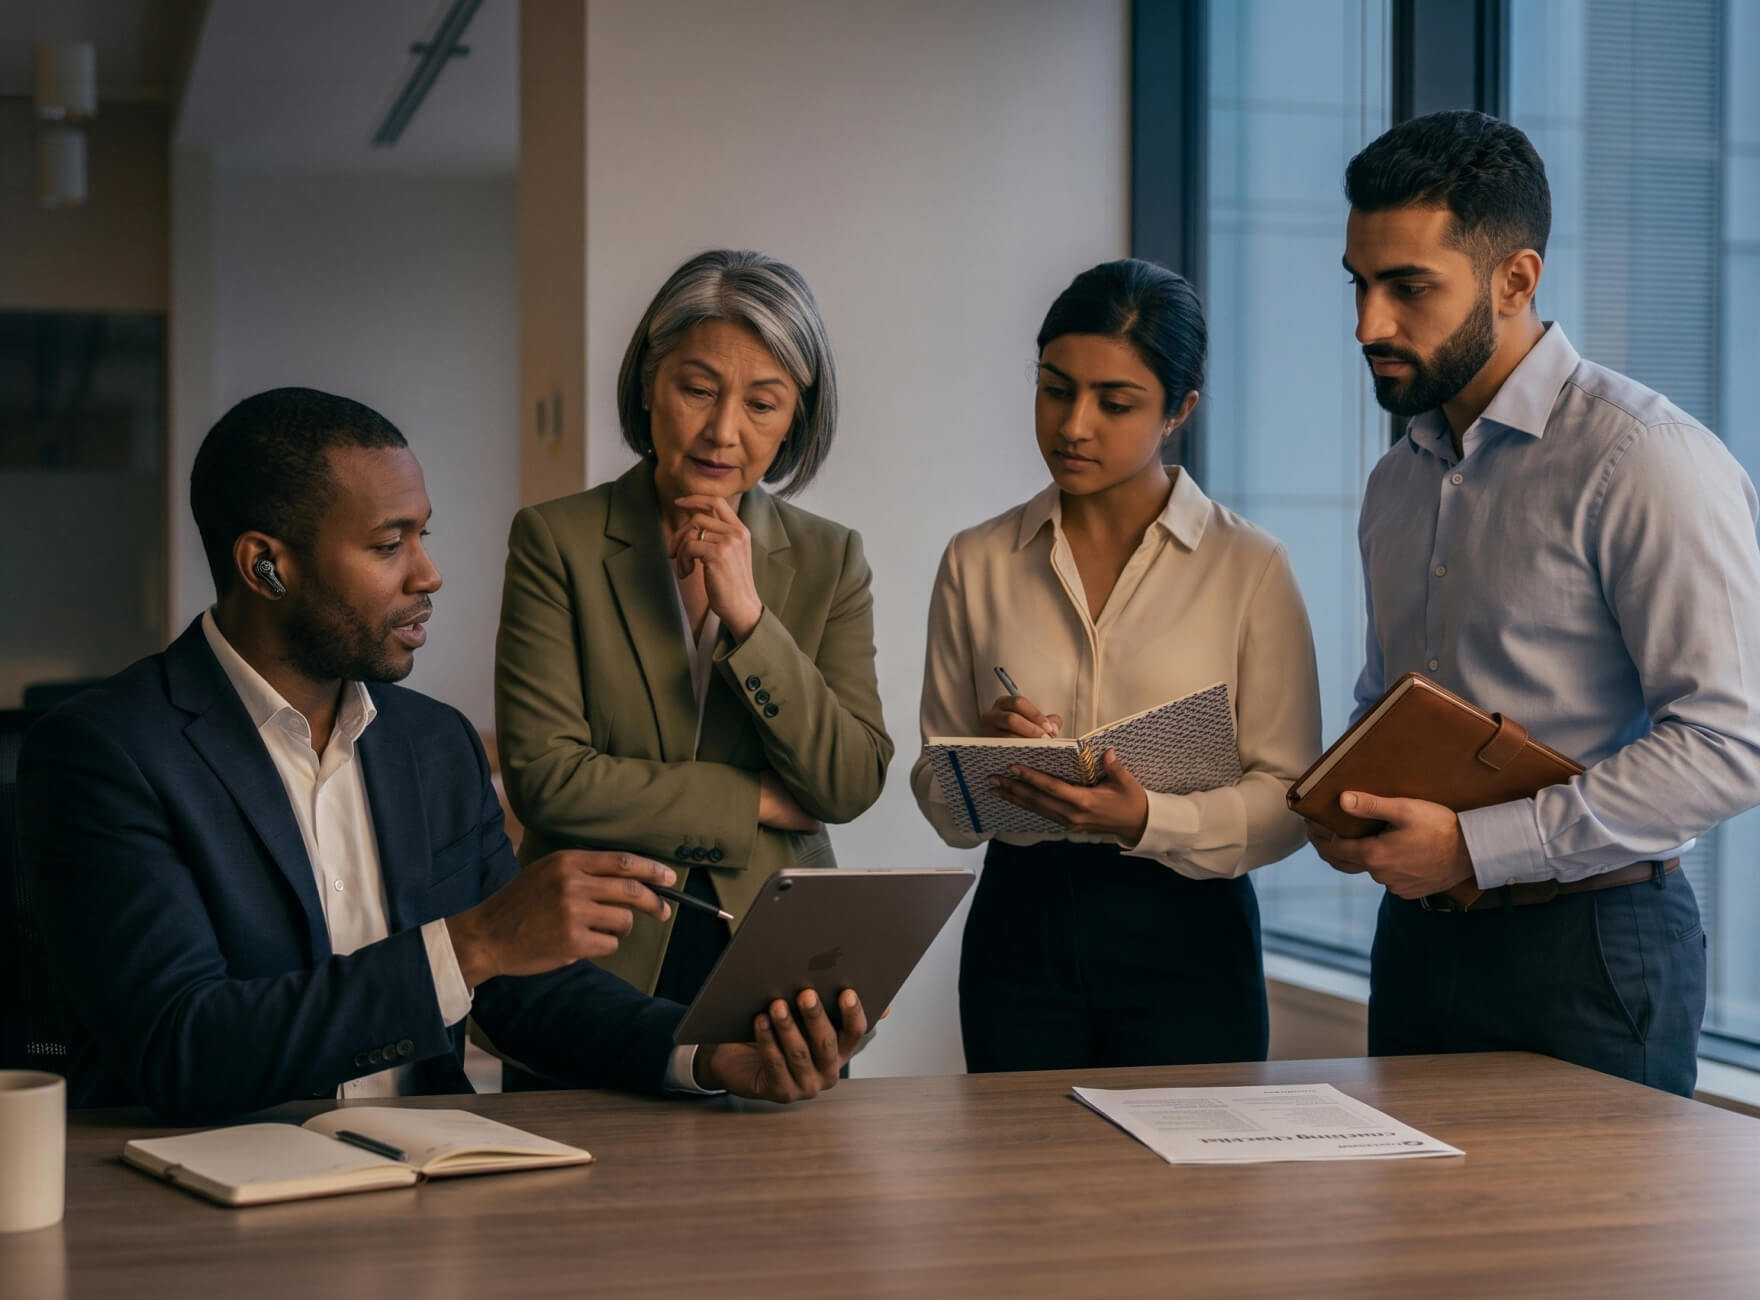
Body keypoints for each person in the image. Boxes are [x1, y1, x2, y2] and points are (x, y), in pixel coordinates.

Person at [14, 388, 870, 1124]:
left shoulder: (432, 742)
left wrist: (710, 1056)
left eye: (423, 536)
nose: (429, 574)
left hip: (431, 1191)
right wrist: (470, 944)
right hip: (205, 1210)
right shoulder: (103, 754)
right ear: (266, 567)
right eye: (389, 546)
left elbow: (528, 993)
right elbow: (182, 1045)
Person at [1307, 110, 1760, 1097]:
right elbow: (1389, 701)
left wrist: (1475, 846)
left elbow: (1729, 744)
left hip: (1590, 950)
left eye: (1406, 288)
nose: (1366, 325)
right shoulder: (1397, 481)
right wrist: (1347, 805)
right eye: (1358, 283)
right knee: (1417, 1254)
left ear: (1514, 279)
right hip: (1418, 946)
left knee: (1586, 1260)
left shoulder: (1645, 460)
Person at [910, 259, 1322, 1072]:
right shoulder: (978, 561)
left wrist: (1147, 821)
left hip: (1191, 936)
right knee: (1025, 1195)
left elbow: (1291, 800)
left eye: (1115, 402)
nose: (1074, 425)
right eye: (1056, 388)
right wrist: (985, 766)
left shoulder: (1250, 568)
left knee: (1189, 1198)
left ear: (1180, 411)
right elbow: (936, 791)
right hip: (1019, 931)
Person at [495, 250, 891, 1004]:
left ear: (794, 422)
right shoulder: (557, 541)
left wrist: (749, 616)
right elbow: (549, 781)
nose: (723, 431)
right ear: (650, 384)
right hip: (595, 956)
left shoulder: (831, 558)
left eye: (763, 404)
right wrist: (758, 802)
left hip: (780, 957)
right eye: (698, 389)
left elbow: (847, 780)